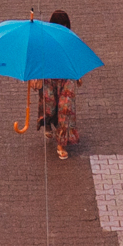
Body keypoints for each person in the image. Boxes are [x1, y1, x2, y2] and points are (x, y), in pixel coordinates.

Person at [30, 10, 80, 160]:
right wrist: (35, 76)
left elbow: (76, 58)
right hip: (49, 78)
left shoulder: (71, 39)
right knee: (49, 106)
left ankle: (61, 144)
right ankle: (47, 123)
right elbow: (37, 59)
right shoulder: (44, 40)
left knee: (65, 109)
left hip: (66, 79)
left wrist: (77, 76)